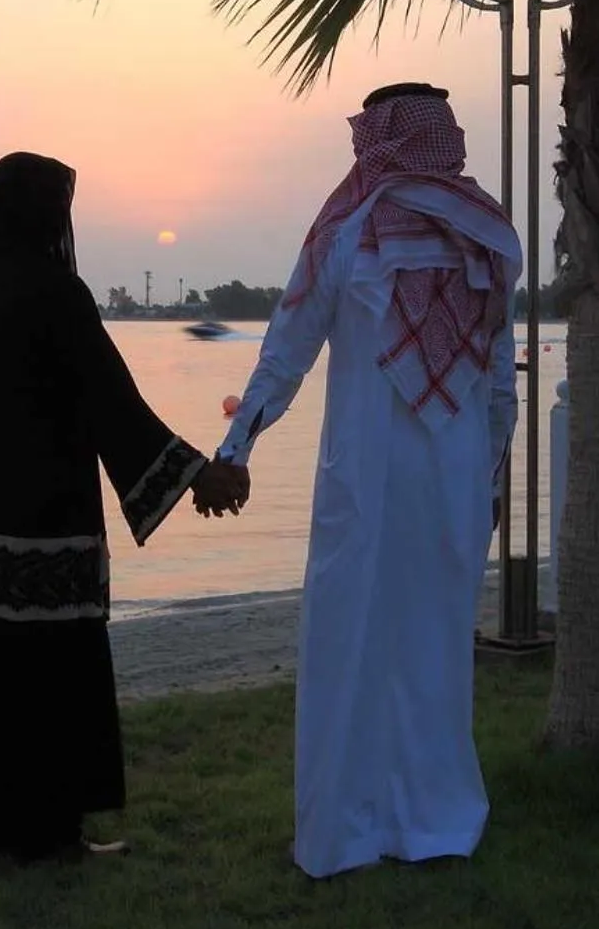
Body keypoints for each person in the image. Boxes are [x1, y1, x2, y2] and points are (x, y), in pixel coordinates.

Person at [217, 83, 520, 878]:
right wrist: (489, 477)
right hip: (442, 482)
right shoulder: (487, 235)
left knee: (392, 648)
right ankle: (411, 823)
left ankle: (375, 827)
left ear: (376, 138)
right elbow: (497, 390)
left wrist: (237, 442)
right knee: (408, 647)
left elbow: (287, 348)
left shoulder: (347, 229)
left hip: (373, 481)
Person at [0, 152, 249, 860]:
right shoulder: (58, 293)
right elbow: (111, 404)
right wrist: (197, 477)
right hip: (48, 513)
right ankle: (47, 832)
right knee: (49, 668)